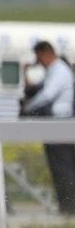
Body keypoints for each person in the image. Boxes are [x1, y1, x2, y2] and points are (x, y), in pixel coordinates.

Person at [20, 41, 75, 215]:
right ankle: (66, 207)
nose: (38, 61)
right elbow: (36, 89)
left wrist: (28, 108)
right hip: (56, 124)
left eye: (38, 57)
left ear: (45, 53)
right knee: (60, 169)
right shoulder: (53, 71)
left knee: (63, 169)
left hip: (60, 125)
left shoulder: (59, 71)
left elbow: (47, 95)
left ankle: (69, 209)